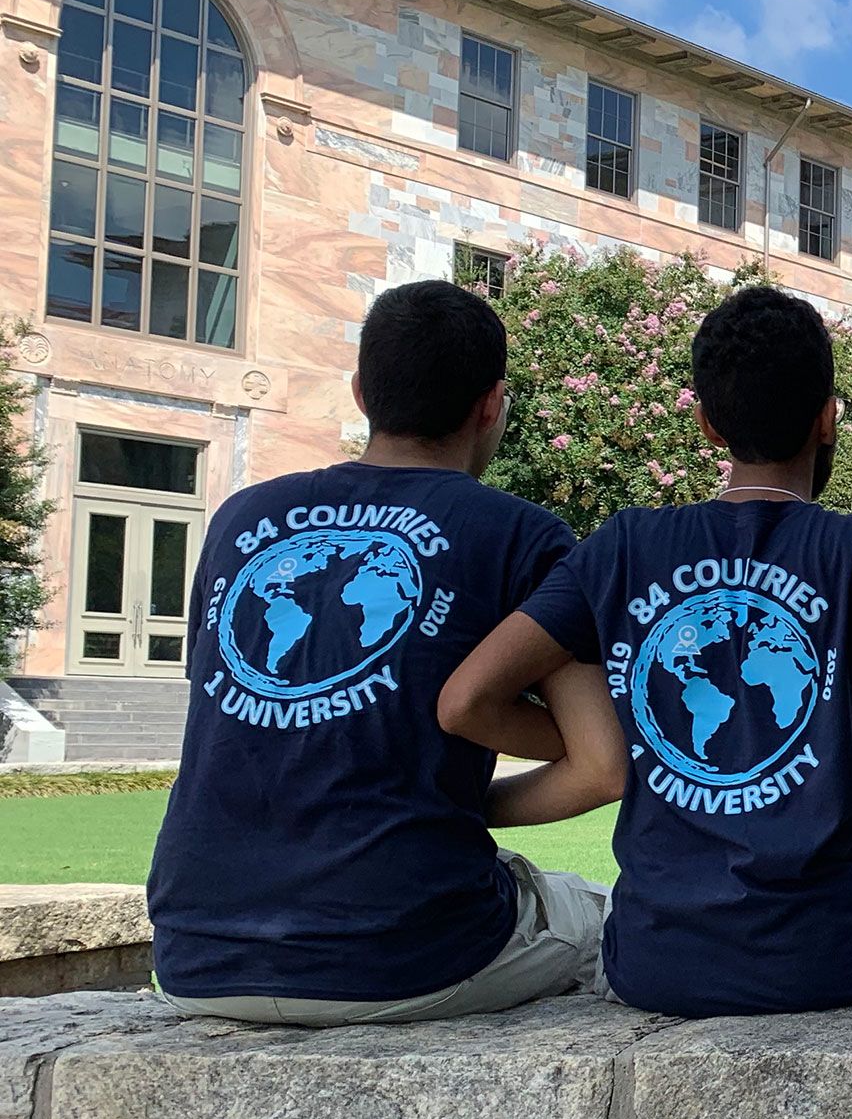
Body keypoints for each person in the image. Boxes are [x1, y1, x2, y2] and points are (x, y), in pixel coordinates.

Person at [440, 286, 852, 1018]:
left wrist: (487, 801)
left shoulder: (621, 547)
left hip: (654, 962)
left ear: (708, 425)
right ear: (828, 417)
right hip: (835, 949)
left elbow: (467, 701)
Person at [148, 280, 610, 1025]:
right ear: (491, 404)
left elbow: (219, 692)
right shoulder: (522, 536)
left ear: (361, 392)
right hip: (404, 951)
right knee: (621, 918)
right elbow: (602, 765)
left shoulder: (240, 518)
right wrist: (449, 809)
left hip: (195, 953)